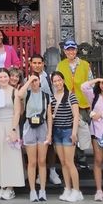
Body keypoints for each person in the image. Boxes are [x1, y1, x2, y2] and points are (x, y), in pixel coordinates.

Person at [0, 68, 25, 200]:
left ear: (9, 77)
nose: (3, 79)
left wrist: (13, 130)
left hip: (10, 125)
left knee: (10, 156)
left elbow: (17, 112)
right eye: (0, 77)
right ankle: (1, 185)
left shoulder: (15, 92)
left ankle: (10, 187)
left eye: (5, 76)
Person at [56, 39, 93, 170]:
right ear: (64, 51)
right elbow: (56, 83)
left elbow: (90, 84)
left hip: (81, 103)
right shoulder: (60, 65)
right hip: (66, 103)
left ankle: (82, 159)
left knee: (81, 130)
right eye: (68, 49)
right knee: (68, 131)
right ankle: (70, 160)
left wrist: (91, 104)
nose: (70, 51)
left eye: (73, 49)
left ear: (76, 50)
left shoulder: (84, 65)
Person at [17, 72, 52, 202]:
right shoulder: (27, 94)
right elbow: (19, 94)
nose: (34, 83)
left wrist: (50, 133)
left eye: (36, 80)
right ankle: (32, 190)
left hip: (42, 126)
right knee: (32, 162)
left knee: (42, 161)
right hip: (29, 126)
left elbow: (49, 115)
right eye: (32, 81)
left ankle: (42, 190)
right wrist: (28, 81)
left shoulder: (46, 96)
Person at [50, 70, 83, 202]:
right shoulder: (52, 97)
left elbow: (76, 116)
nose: (57, 83)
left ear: (63, 81)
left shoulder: (71, 96)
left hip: (68, 131)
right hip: (57, 132)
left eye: (59, 80)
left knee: (70, 162)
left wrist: (74, 133)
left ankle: (76, 190)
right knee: (63, 162)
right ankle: (67, 188)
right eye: (55, 81)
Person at [29, 53, 61, 187]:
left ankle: (52, 171)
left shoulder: (49, 78)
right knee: (35, 145)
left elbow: (55, 94)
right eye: (34, 63)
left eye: (39, 63)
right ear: (31, 64)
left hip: (48, 113)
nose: (37, 65)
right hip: (32, 116)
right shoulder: (27, 78)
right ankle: (37, 172)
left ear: (43, 64)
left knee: (49, 143)